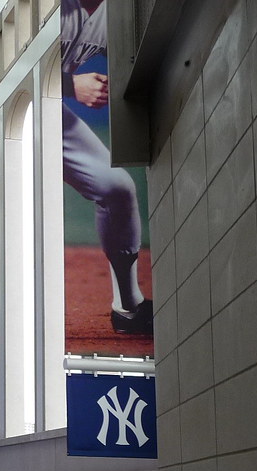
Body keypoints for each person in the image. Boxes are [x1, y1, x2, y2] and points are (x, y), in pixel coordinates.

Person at [61, 0, 152, 335]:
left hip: (49, 116)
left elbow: (135, 56)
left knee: (117, 187)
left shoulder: (113, 11)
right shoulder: (48, 7)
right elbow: (6, 70)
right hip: (0, 117)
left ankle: (128, 307)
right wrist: (71, 86)